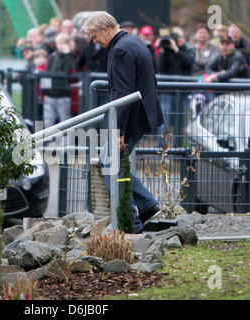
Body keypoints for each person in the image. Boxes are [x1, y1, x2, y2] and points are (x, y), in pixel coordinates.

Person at [83, 11, 164, 234]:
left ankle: (130, 223)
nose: (94, 41)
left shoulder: (120, 50)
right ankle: (147, 205)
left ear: (104, 29)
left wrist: (118, 132)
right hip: (140, 114)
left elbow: (123, 93)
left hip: (131, 118)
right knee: (109, 161)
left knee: (110, 162)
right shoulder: (133, 43)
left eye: (94, 35)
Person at [42, 33, 76, 128]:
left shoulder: (70, 57)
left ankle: (67, 142)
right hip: (50, 94)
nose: (61, 46)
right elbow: (47, 74)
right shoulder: (52, 57)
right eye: (59, 43)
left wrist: (68, 54)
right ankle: (48, 142)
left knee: (65, 120)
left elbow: (70, 69)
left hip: (63, 94)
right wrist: (45, 92)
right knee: (48, 120)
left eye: (64, 43)